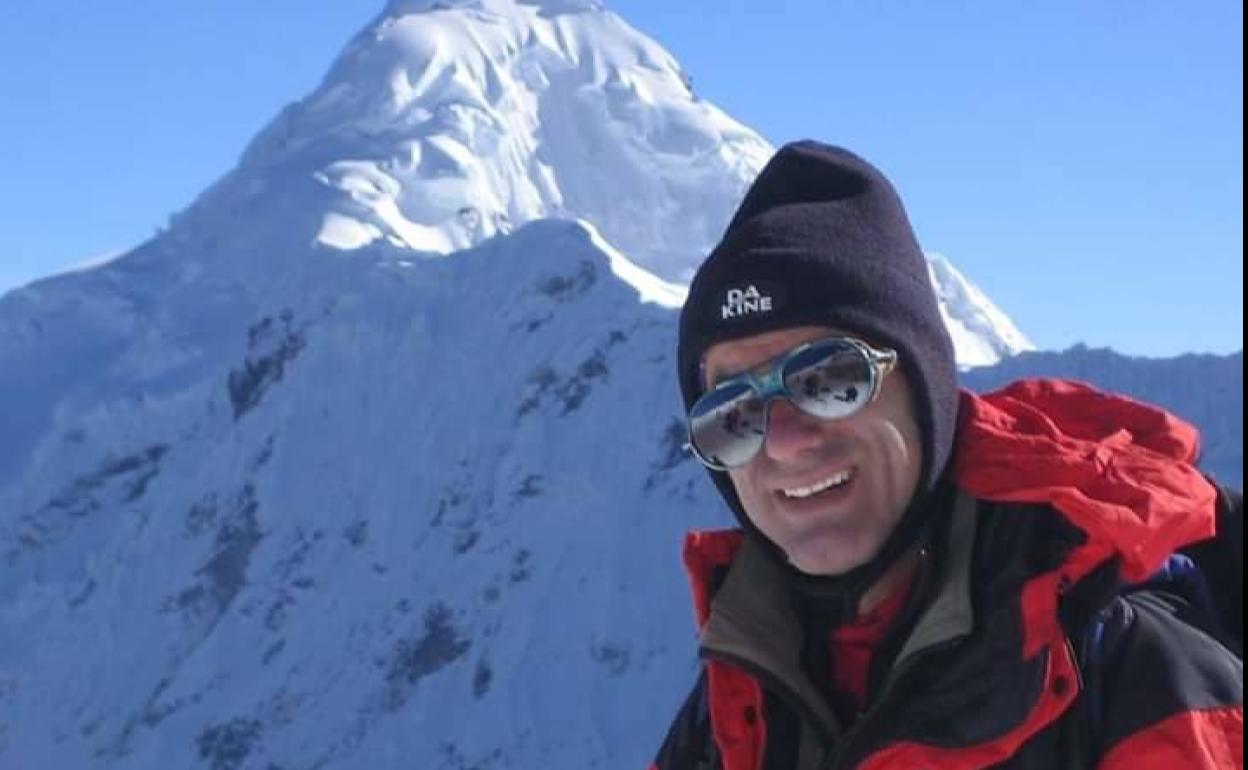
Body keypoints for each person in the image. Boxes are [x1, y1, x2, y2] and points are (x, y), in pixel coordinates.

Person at [650, 141, 1243, 770]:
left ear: (926, 391)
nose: (786, 441)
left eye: (827, 379)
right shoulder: (742, 702)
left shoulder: (1128, 673)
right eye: (734, 414)